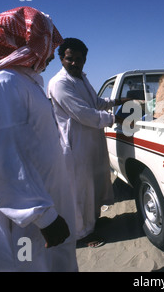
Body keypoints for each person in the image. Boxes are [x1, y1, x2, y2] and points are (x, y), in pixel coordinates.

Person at [0, 7, 78, 271]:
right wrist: (43, 216)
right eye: (49, 43)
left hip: (36, 200)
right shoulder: (3, 83)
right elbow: (2, 159)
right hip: (22, 216)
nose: (52, 54)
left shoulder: (22, 81)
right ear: (32, 42)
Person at [47, 38, 126, 248]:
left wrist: (118, 102)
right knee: (80, 191)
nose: (74, 63)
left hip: (92, 141)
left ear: (85, 60)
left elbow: (96, 103)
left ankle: (93, 222)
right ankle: (82, 234)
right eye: (69, 59)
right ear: (62, 59)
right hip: (76, 145)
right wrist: (116, 119)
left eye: (79, 59)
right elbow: (84, 113)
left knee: (94, 185)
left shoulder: (81, 78)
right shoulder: (59, 83)